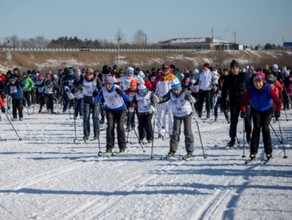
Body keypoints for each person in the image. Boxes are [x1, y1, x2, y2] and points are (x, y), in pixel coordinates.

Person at [240, 71, 282, 161]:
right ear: (253, 82)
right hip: (256, 109)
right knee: (256, 129)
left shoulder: (268, 89)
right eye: (256, 82)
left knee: (265, 128)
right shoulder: (250, 90)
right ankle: (253, 153)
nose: (258, 84)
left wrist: (277, 111)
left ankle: (268, 153)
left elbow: (278, 102)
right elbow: (243, 103)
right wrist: (243, 111)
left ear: (263, 81)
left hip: (268, 109)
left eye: (259, 82)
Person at [157, 78, 196, 158]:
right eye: (174, 89)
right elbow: (163, 99)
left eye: (177, 89)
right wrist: (157, 100)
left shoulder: (185, 92)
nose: (176, 91)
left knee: (187, 132)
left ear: (180, 88)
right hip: (176, 115)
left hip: (186, 114)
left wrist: (192, 99)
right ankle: (172, 151)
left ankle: (189, 151)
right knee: (175, 133)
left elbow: (191, 98)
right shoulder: (171, 93)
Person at [93, 76, 130, 153]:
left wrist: (122, 94)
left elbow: (127, 99)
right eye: (106, 84)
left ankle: (122, 146)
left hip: (121, 109)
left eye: (109, 84)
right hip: (109, 110)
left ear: (113, 84)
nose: (108, 86)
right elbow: (95, 102)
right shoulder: (103, 90)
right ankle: (109, 147)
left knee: (120, 127)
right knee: (110, 127)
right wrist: (95, 96)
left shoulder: (117, 88)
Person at [221, 60, 251, 147]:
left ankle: (249, 136)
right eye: (233, 68)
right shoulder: (228, 78)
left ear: (239, 68)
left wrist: (249, 100)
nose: (235, 69)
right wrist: (223, 102)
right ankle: (232, 139)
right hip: (233, 101)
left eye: (236, 68)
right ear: (231, 69)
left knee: (247, 119)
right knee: (233, 121)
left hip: (244, 101)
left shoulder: (244, 76)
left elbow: (250, 89)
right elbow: (224, 91)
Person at [74, 68, 102, 141]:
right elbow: (78, 86)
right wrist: (73, 90)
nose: (89, 76)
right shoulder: (83, 79)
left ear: (93, 74)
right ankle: (86, 134)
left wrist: (97, 93)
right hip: (86, 100)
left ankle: (96, 134)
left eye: (91, 74)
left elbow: (101, 89)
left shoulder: (96, 79)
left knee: (95, 117)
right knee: (86, 117)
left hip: (95, 100)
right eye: (87, 74)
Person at [152, 64, 178, 139]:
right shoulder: (158, 78)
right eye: (164, 70)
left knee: (171, 116)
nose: (165, 72)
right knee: (161, 116)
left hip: (171, 99)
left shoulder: (172, 77)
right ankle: (161, 132)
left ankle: (171, 132)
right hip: (161, 100)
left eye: (166, 70)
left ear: (169, 70)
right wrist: (154, 96)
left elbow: (178, 87)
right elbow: (154, 88)